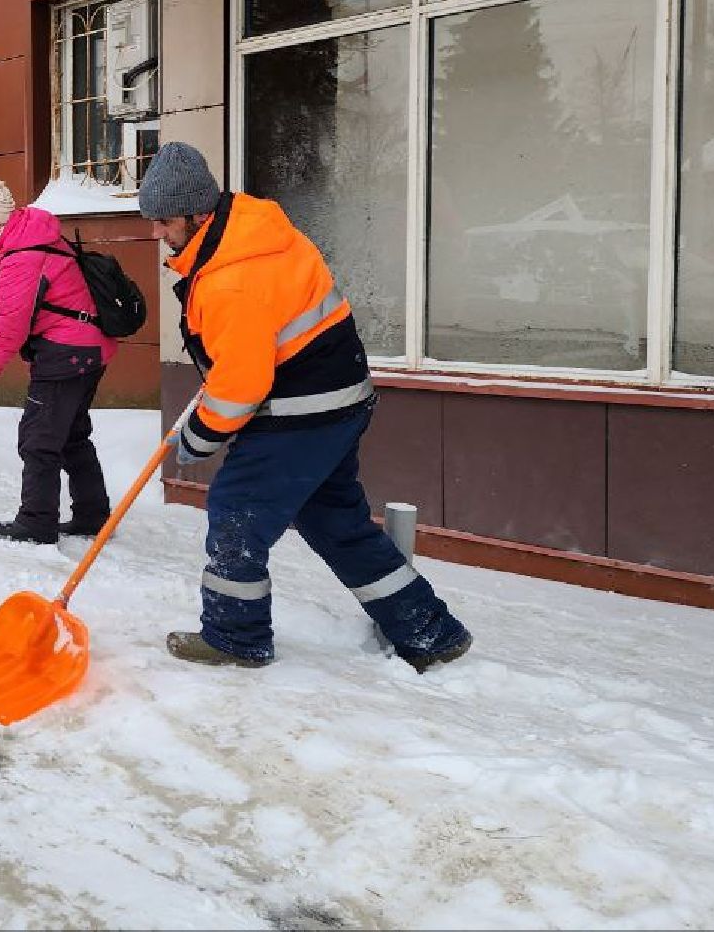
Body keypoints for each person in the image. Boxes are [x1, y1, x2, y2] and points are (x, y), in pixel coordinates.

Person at [139, 141, 472, 672]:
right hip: (337, 402)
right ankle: (430, 630)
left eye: (163, 222)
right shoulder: (253, 236)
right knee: (334, 521)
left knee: (236, 515)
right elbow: (253, 352)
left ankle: (234, 637)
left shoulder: (232, 278)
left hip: (300, 414)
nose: (158, 233)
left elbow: (243, 383)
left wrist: (200, 438)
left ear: (198, 215)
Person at [0, 177, 117, 546]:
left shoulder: (22, 255)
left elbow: (10, 325)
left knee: (39, 439)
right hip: (88, 348)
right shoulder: (35, 239)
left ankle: (36, 523)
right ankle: (93, 515)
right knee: (72, 435)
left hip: (66, 353)